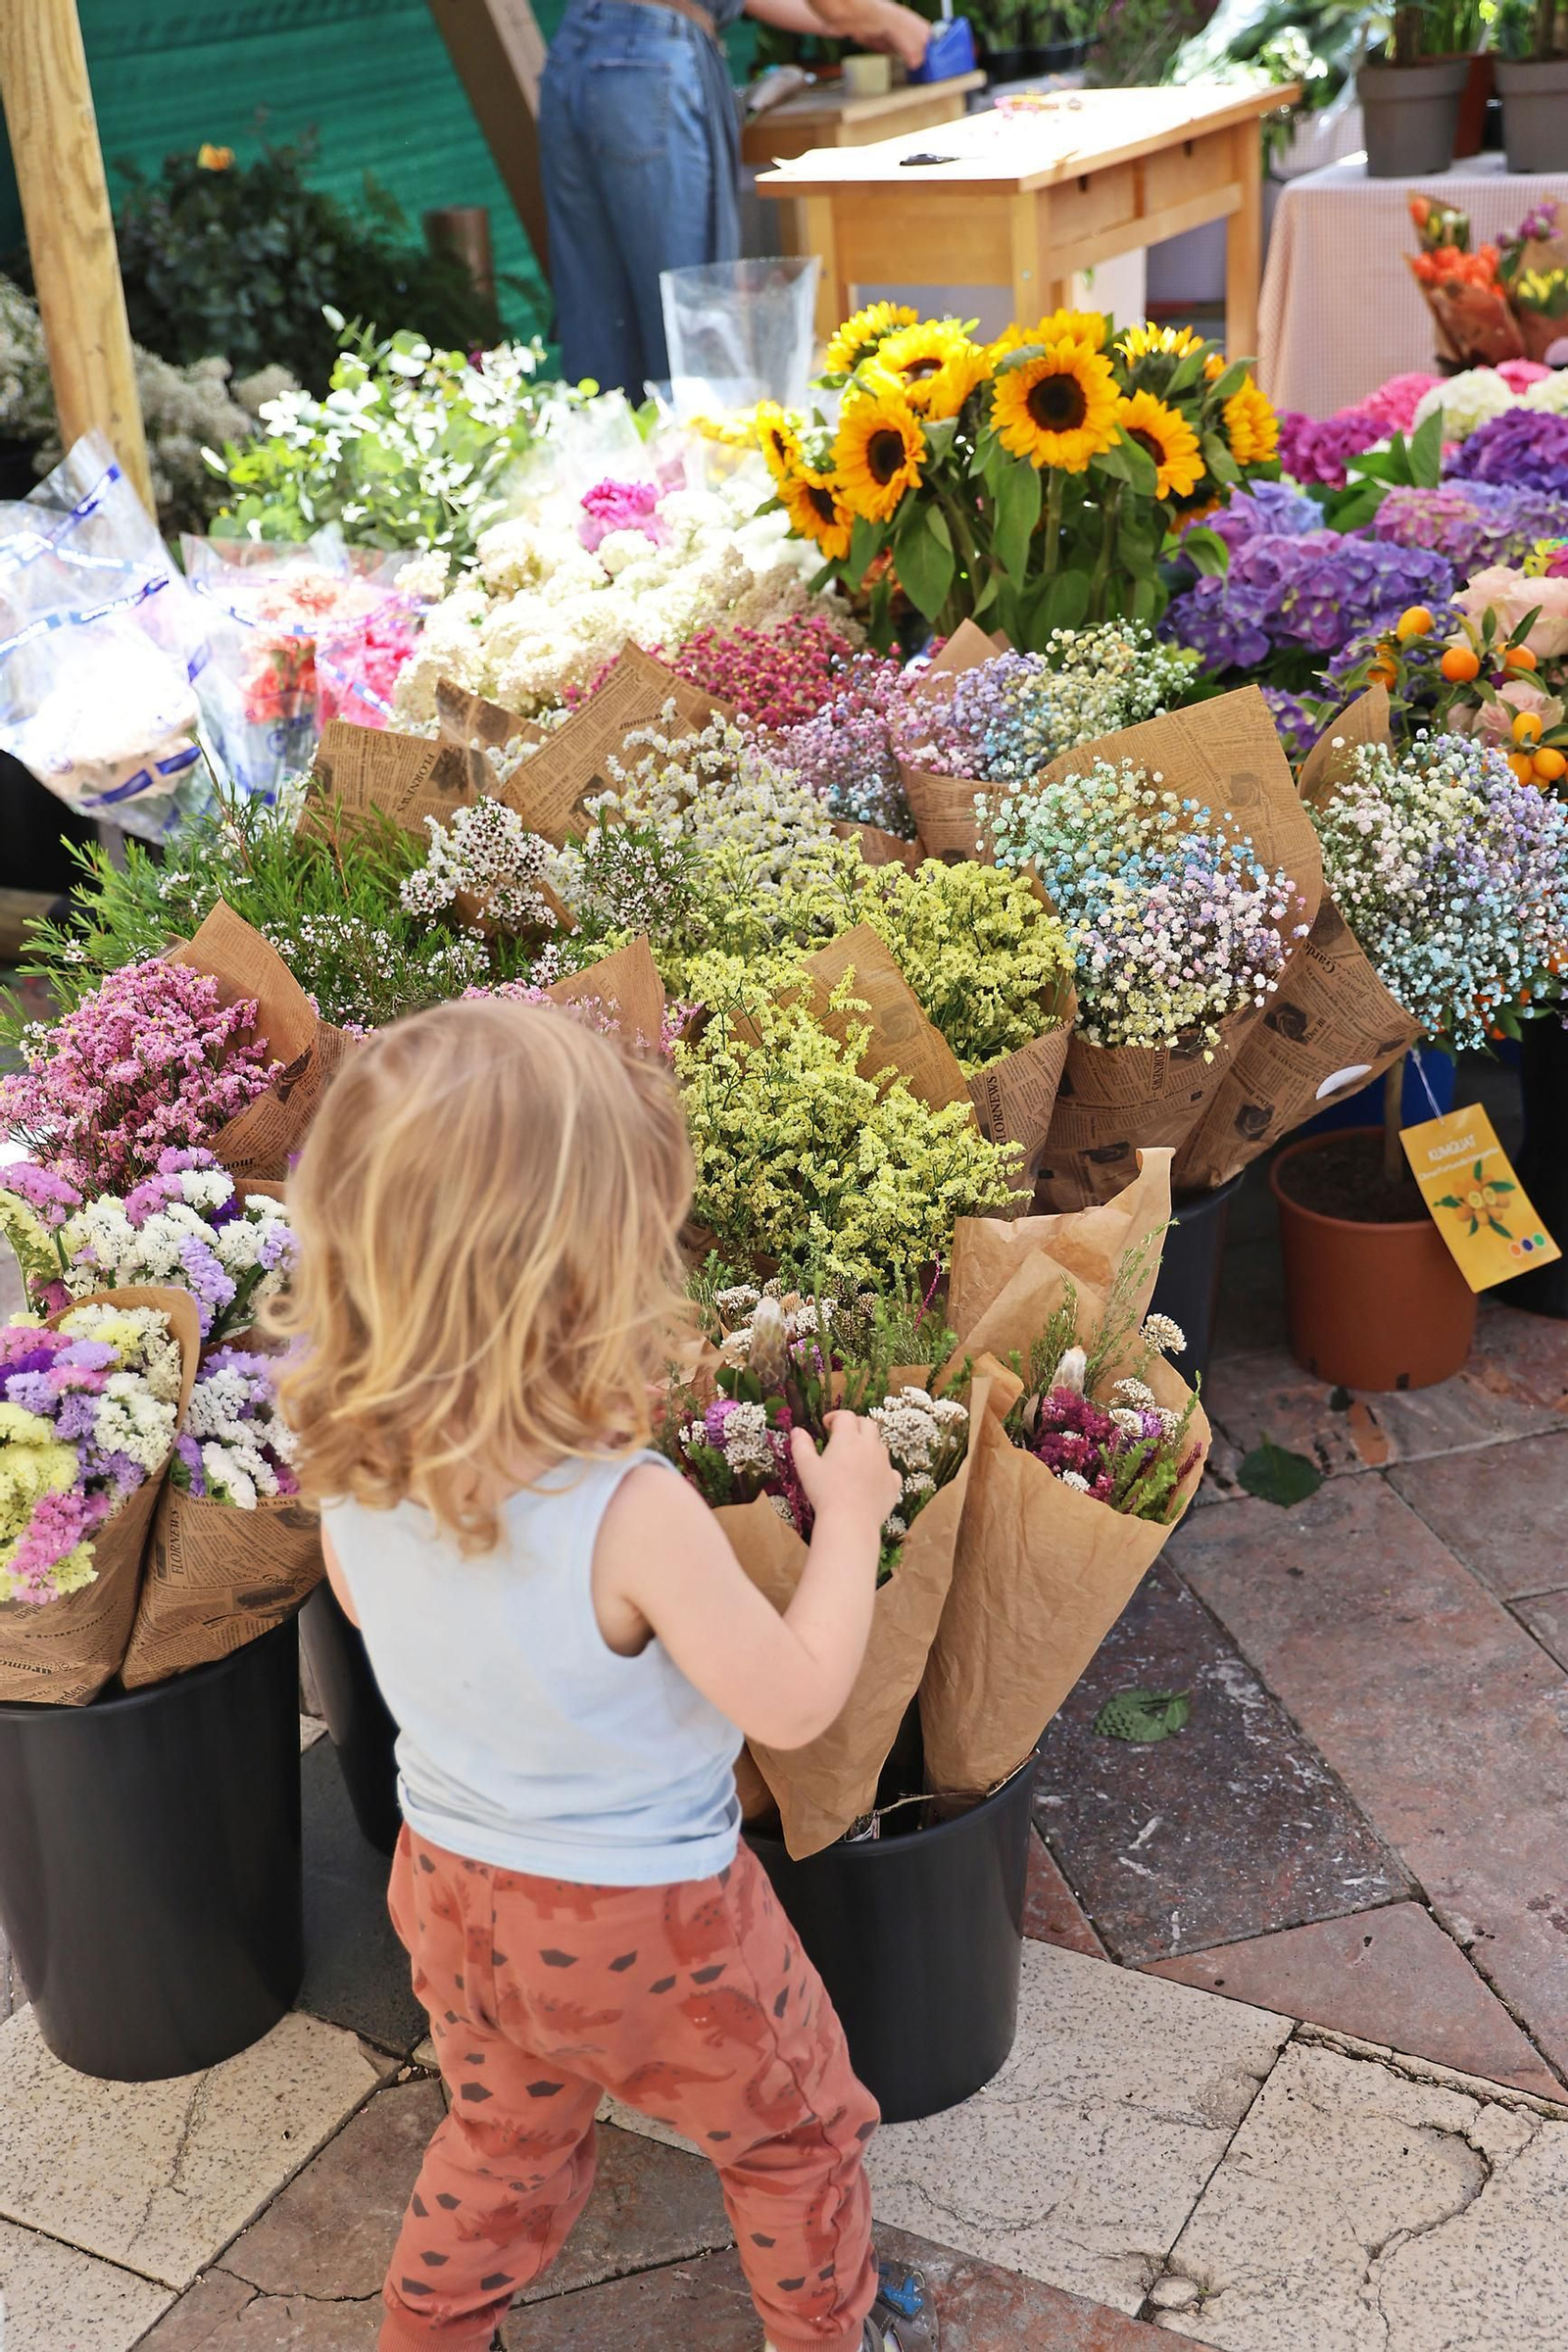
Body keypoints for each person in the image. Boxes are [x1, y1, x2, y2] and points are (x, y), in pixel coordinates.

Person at [274, 997, 936, 2352]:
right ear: (582, 1276)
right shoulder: (629, 1511)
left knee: (503, 2141)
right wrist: (856, 1509)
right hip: (653, 1928)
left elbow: (386, 1624)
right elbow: (799, 1702)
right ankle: (829, 2336)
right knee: (794, 2137)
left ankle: (427, 2334)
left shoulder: (352, 1474)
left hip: (452, 1892)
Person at [540, 0, 932, 395]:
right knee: (688, 326)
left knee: (598, 335)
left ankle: (618, 452)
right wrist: (903, 24)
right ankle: (693, 452)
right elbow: (838, 6)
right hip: (651, 54)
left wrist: (847, 24)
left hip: (574, 53)